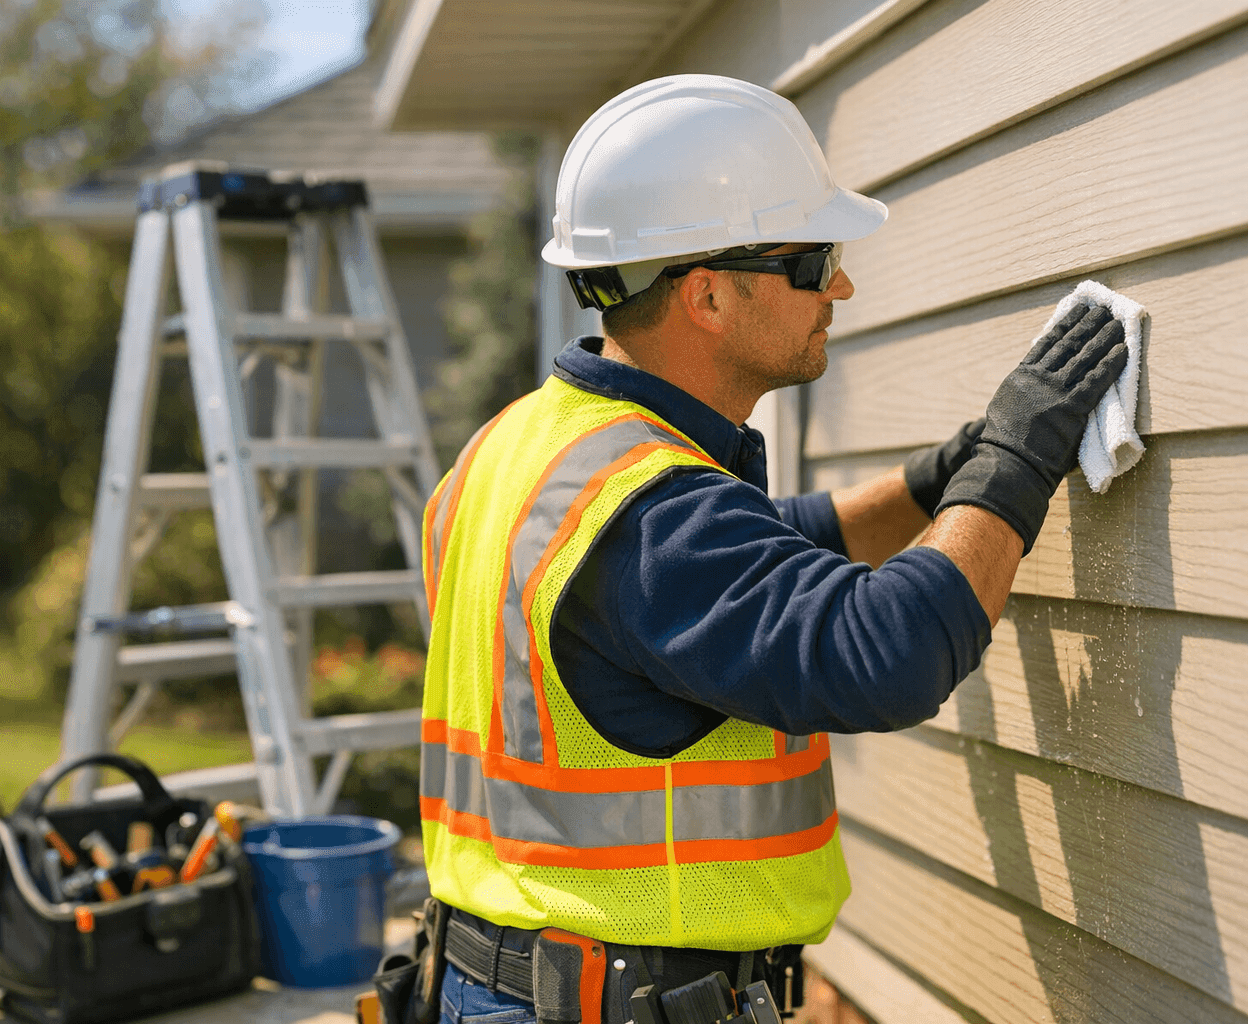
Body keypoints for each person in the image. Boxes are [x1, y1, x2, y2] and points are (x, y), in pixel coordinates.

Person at [416, 75, 1126, 1024]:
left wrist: (935, 484)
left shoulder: (522, 450)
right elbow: (887, 656)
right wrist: (1015, 458)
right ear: (707, 293)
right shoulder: (652, 514)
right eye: (813, 259)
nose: (841, 283)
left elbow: (762, 557)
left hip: (501, 979)